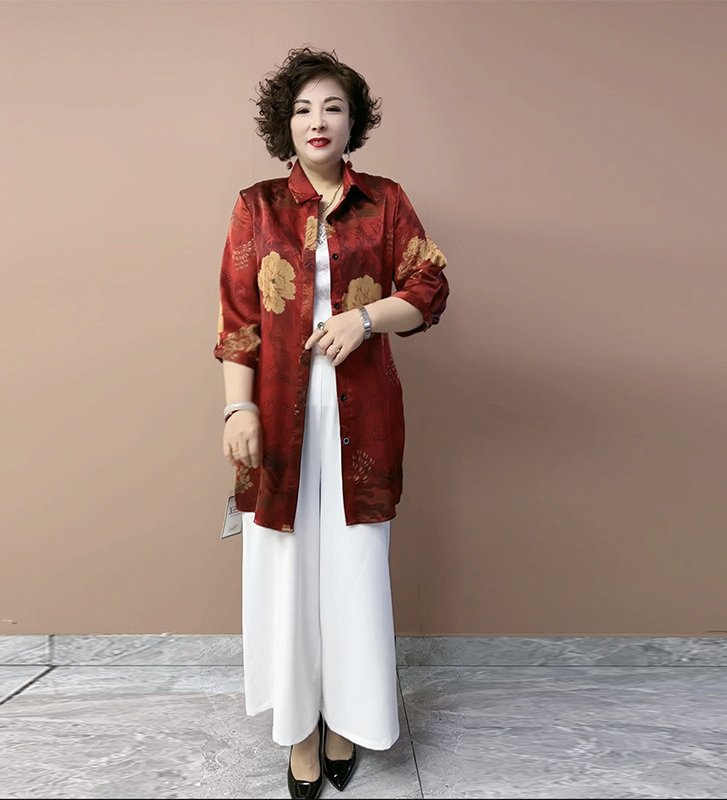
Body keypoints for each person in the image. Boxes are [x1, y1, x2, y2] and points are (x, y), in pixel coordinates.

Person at [214, 47, 449, 799]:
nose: (318, 121)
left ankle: (347, 719)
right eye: (304, 109)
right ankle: (300, 729)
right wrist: (239, 406)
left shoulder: (385, 201)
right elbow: (238, 318)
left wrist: (364, 320)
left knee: (352, 572)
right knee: (286, 571)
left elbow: (430, 285)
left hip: (362, 417)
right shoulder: (255, 206)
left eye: (333, 107)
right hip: (278, 418)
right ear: (284, 123)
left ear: (354, 122)